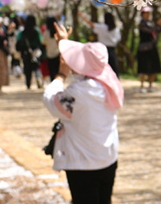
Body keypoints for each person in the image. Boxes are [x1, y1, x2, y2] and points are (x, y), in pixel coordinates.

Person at [43, 22, 124, 204]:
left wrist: (60, 76)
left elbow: (50, 100)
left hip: (82, 165)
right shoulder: (109, 83)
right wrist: (64, 43)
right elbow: (90, 63)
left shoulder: (78, 93)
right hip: (107, 159)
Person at [137, 7, 161, 93]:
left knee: (154, 67)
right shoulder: (142, 23)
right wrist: (157, 25)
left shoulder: (151, 23)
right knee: (144, 67)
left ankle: (150, 85)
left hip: (152, 48)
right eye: (146, 13)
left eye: (149, 13)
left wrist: (160, 25)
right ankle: (142, 86)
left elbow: (158, 30)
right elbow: (149, 30)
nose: (148, 15)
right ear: (142, 14)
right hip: (144, 49)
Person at [16, 15, 44, 90]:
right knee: (36, 67)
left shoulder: (23, 32)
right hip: (36, 52)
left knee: (27, 68)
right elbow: (41, 41)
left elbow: (19, 42)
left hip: (26, 52)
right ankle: (38, 78)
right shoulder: (37, 31)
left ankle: (28, 84)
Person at [43, 16, 62, 81]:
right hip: (58, 53)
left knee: (51, 72)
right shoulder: (59, 32)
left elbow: (43, 42)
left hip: (49, 54)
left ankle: (52, 85)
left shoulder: (46, 32)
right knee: (58, 71)